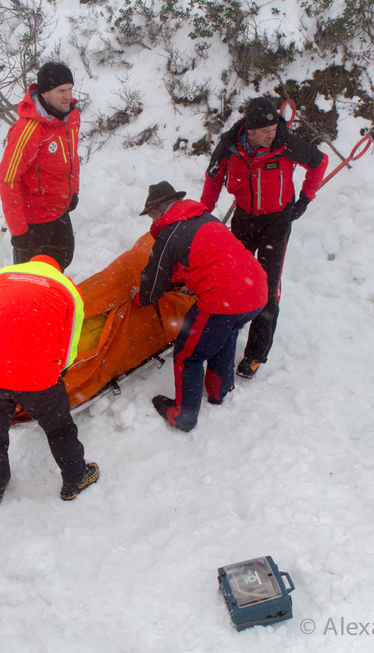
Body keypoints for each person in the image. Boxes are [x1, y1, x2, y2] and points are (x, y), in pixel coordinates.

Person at [200, 96, 328, 380]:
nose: (272, 134)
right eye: (265, 131)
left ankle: (256, 354)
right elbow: (213, 179)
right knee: (232, 280)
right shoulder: (229, 147)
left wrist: (305, 199)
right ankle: (225, 335)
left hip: (277, 222)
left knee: (267, 288)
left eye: (274, 129)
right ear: (250, 130)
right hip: (244, 219)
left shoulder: (285, 142)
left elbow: (320, 162)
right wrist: (203, 214)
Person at [134, 181, 267, 433]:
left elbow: (152, 285)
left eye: (150, 215)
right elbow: (203, 260)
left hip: (223, 299)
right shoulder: (206, 219)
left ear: (158, 210)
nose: (152, 220)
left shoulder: (170, 233)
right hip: (256, 291)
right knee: (225, 335)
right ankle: (219, 390)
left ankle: (183, 417)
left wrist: (139, 298)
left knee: (188, 355)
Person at [0, 254, 98, 505]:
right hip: (38, 380)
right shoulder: (67, 288)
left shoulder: (1, 275)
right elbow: (68, 350)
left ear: (29, 263)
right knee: (59, 430)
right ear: (57, 269)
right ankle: (74, 480)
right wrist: (49, 369)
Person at [0, 62, 81, 271]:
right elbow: (7, 180)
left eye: (70, 89)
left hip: (60, 212)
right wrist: (18, 230)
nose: (67, 96)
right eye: (61, 91)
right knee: (32, 277)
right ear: (44, 93)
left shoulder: (71, 118)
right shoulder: (28, 129)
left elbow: (72, 158)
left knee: (61, 262)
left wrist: (73, 192)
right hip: (34, 222)